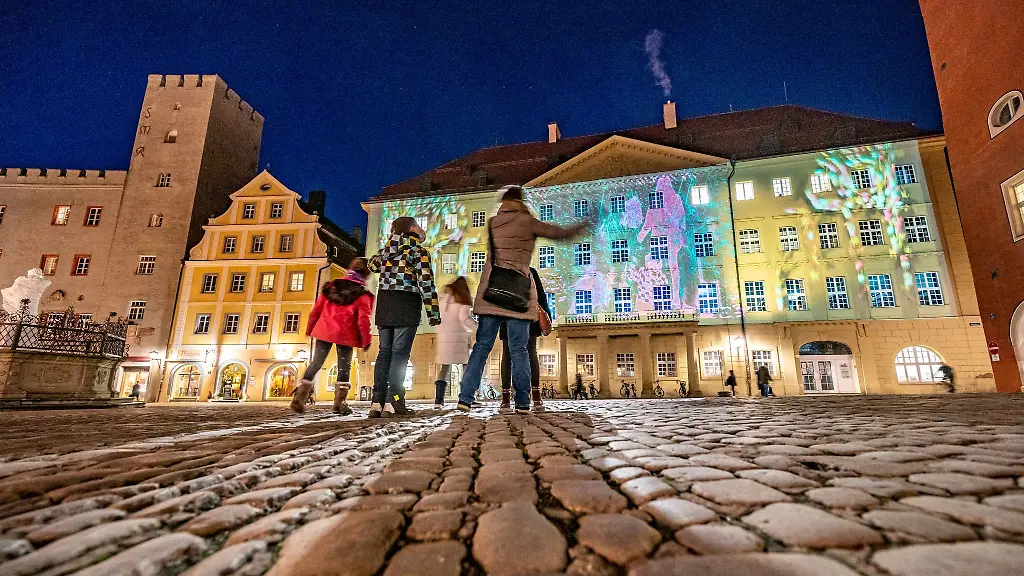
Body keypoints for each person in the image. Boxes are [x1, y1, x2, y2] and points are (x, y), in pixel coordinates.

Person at [457, 186, 590, 413]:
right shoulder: (528, 222)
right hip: (518, 293)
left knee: (481, 347)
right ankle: (522, 402)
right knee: (519, 349)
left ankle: (465, 398)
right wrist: (582, 225)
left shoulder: (492, 223)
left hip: (492, 291)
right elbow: (559, 234)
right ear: (521, 202)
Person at [368, 217, 441, 417]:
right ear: (412, 229)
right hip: (406, 302)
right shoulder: (418, 251)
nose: (422, 229)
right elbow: (426, 283)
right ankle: (395, 400)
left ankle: (377, 402)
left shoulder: (385, 252)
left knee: (384, 353)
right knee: (400, 354)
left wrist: (391, 243)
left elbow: (372, 265)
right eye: (419, 226)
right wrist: (433, 313)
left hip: (384, 303)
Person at [291, 258, 374, 415]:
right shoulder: (362, 295)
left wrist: (310, 329)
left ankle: (299, 398)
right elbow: (364, 320)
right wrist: (366, 340)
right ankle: (339, 403)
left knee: (316, 362)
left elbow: (317, 310)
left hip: (324, 331)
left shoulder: (331, 287)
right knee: (344, 366)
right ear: (366, 275)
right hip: (346, 334)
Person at [499, 268, 550, 411]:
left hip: (516, 317)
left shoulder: (505, 271)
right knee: (525, 355)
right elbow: (541, 296)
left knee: (513, 356)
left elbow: (540, 295)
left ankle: (509, 399)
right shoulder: (529, 271)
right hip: (520, 317)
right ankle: (534, 397)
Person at [434, 277, 478, 407]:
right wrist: (478, 327)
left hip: (444, 339)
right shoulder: (461, 302)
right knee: (466, 368)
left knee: (444, 368)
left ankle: (438, 401)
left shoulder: (442, 301)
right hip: (458, 340)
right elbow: (465, 319)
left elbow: (437, 319)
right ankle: (466, 396)